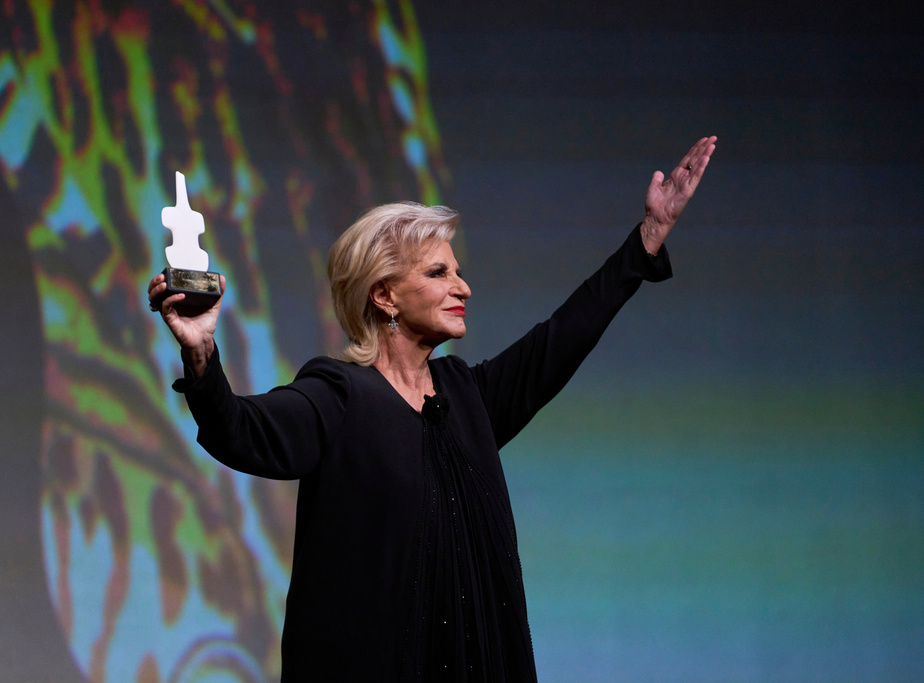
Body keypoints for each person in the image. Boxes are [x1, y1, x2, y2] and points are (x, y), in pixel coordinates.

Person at [148, 136, 717, 681]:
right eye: (438, 273)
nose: (463, 287)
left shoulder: (466, 397)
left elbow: (561, 338)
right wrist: (201, 353)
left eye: (458, 271)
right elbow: (241, 432)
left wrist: (646, 238)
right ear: (385, 294)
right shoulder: (339, 395)